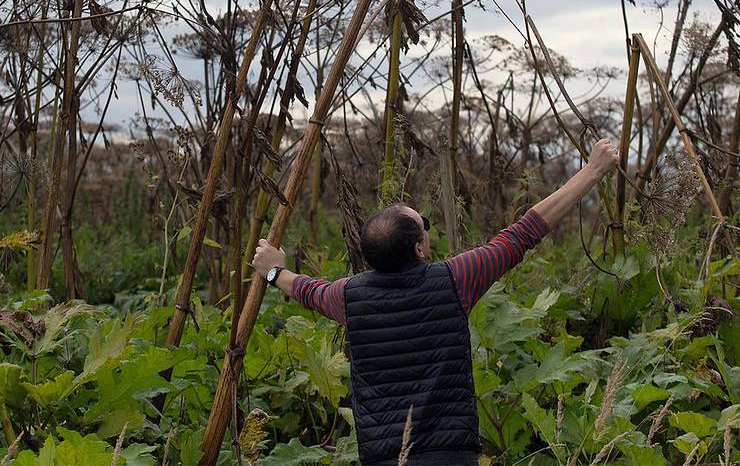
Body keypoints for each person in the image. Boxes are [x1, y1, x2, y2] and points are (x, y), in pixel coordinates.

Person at [252, 137, 620, 466]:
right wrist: (592, 171)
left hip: (384, 456)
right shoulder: (455, 280)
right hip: (451, 454)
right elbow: (524, 232)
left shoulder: (346, 297)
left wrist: (272, 271)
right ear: (419, 247)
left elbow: (305, 289)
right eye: (423, 225)